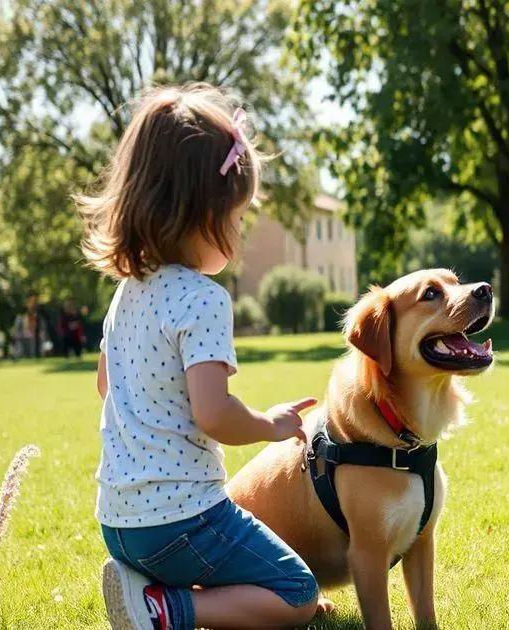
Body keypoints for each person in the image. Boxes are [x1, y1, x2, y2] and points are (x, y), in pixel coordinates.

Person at [78, 83, 322, 629]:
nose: (238, 234)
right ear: (198, 213)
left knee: (239, 561)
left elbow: (105, 385)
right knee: (298, 592)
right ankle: (168, 609)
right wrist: (269, 424)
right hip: (183, 521)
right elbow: (214, 413)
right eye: (235, 219)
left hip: (119, 524)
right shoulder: (203, 298)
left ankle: (150, 588)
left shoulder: (128, 290)